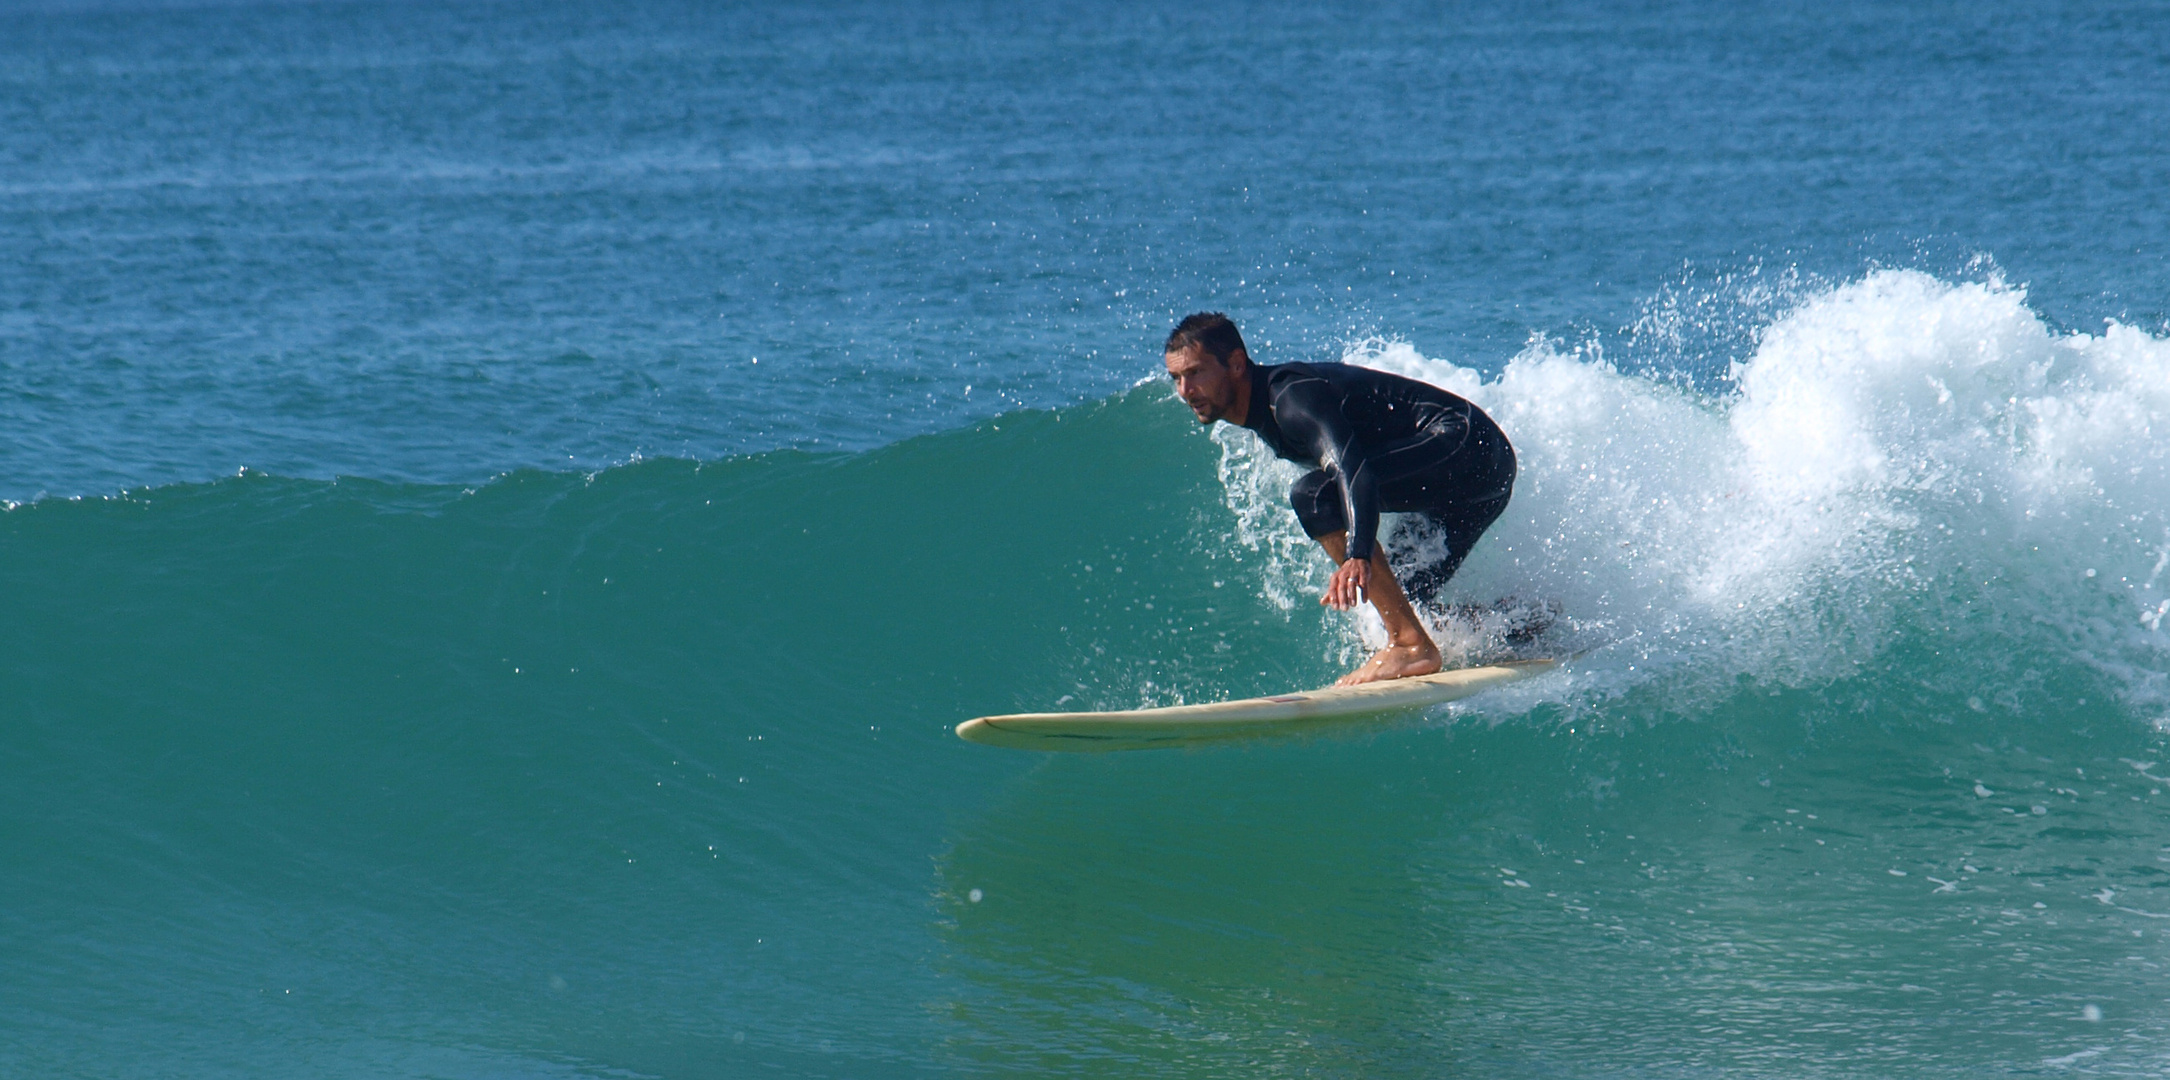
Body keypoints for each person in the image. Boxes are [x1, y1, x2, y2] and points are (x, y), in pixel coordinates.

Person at [1163, 312, 1517, 685]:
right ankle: (1515, 624)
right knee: (1404, 592)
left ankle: (1411, 646)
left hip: (1468, 449)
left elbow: (1354, 471)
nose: (1185, 391)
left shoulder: (1290, 399)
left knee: (1312, 495)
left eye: (1196, 373)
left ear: (1236, 364)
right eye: (1177, 379)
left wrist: (1358, 554)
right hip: (1476, 480)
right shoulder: (1263, 410)